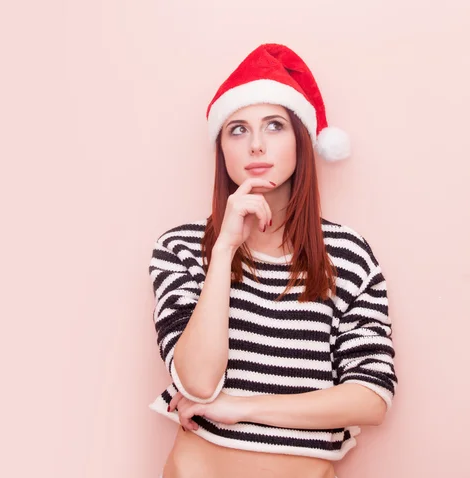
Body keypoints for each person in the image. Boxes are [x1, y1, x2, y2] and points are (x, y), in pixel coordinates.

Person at [147, 43, 398, 478]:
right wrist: (224, 248)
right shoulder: (182, 248)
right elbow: (198, 382)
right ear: (221, 149)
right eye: (238, 130)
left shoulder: (348, 255)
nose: (257, 145)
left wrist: (239, 408)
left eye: (275, 126)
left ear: (302, 141)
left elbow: (371, 396)